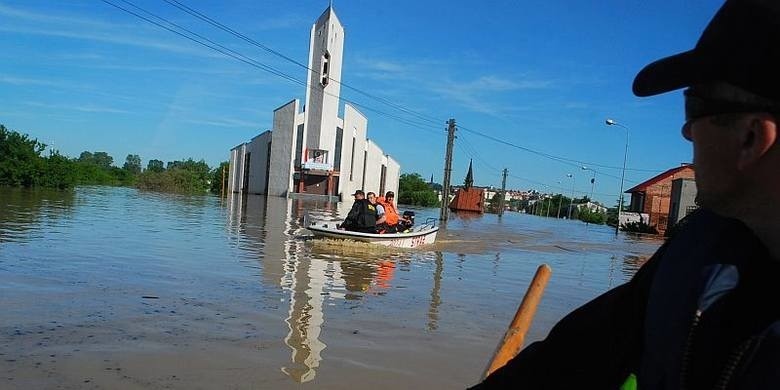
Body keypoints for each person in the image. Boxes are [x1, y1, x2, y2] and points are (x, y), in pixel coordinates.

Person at [473, 0, 780, 388]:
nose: (686, 132)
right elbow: (575, 354)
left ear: (752, 137)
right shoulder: (697, 250)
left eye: (694, 105)